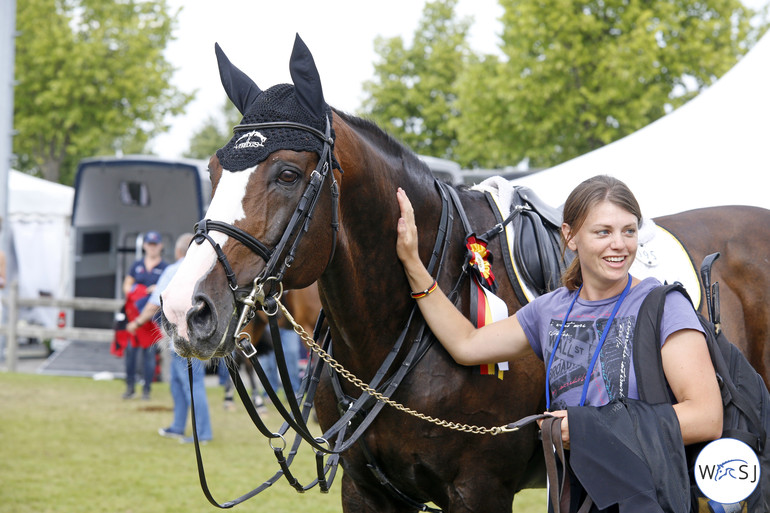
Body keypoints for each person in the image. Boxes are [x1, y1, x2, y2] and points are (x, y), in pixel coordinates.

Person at [395, 175, 723, 512]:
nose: (620, 245)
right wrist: (413, 264)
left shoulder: (664, 306)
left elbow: (706, 416)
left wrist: (588, 430)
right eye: (603, 232)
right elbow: (467, 344)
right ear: (570, 236)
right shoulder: (550, 309)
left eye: (629, 230)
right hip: (574, 497)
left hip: (649, 497)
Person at [127, 233, 213, 444]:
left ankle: (202, 433)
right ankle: (177, 426)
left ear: (177, 251)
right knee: (178, 383)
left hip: (182, 338)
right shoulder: (207, 271)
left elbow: (154, 303)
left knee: (192, 386)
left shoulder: (173, 270)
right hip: (199, 336)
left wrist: (137, 323)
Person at [121, 230, 169, 400]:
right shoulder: (137, 265)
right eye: (149, 244)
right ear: (144, 246)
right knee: (131, 352)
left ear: (160, 246)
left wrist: (155, 290)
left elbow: (166, 289)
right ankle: (129, 387)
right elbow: (127, 286)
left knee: (149, 354)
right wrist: (140, 291)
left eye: (155, 244)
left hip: (153, 317)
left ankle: (147, 389)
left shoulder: (165, 268)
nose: (152, 248)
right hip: (135, 315)